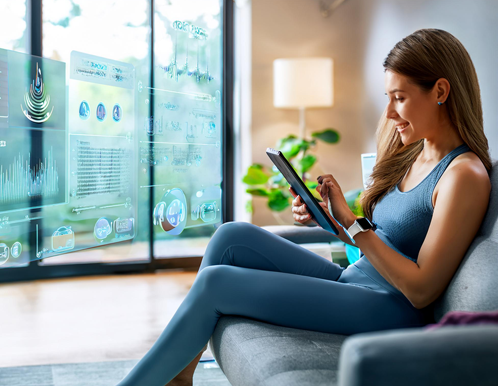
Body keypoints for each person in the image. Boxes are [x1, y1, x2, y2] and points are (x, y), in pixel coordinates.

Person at [117, 28, 492, 386]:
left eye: (400, 97)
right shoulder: (415, 152)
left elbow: (422, 290)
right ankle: (180, 373)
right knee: (231, 236)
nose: (391, 114)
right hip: (358, 280)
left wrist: (353, 223)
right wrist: (330, 218)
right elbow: (383, 239)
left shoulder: (464, 175)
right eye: (388, 98)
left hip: (390, 308)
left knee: (217, 283)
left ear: (441, 90)